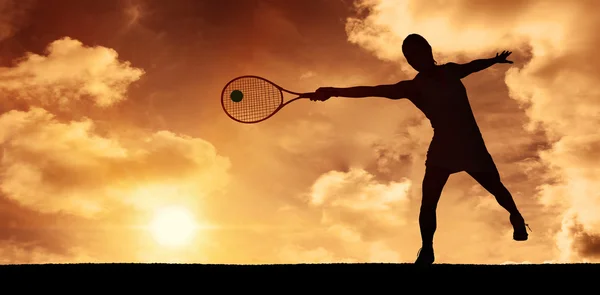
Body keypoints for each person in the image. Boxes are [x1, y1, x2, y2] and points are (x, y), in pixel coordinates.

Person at [311, 33, 530, 265]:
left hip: (471, 145)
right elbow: (372, 90)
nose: (413, 59)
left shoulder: (450, 70)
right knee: (429, 202)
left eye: (416, 52)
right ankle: (427, 248)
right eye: (409, 56)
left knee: (497, 189)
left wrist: (492, 61)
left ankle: (515, 216)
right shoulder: (414, 88)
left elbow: (473, 66)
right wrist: (334, 91)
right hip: (444, 148)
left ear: (428, 51)